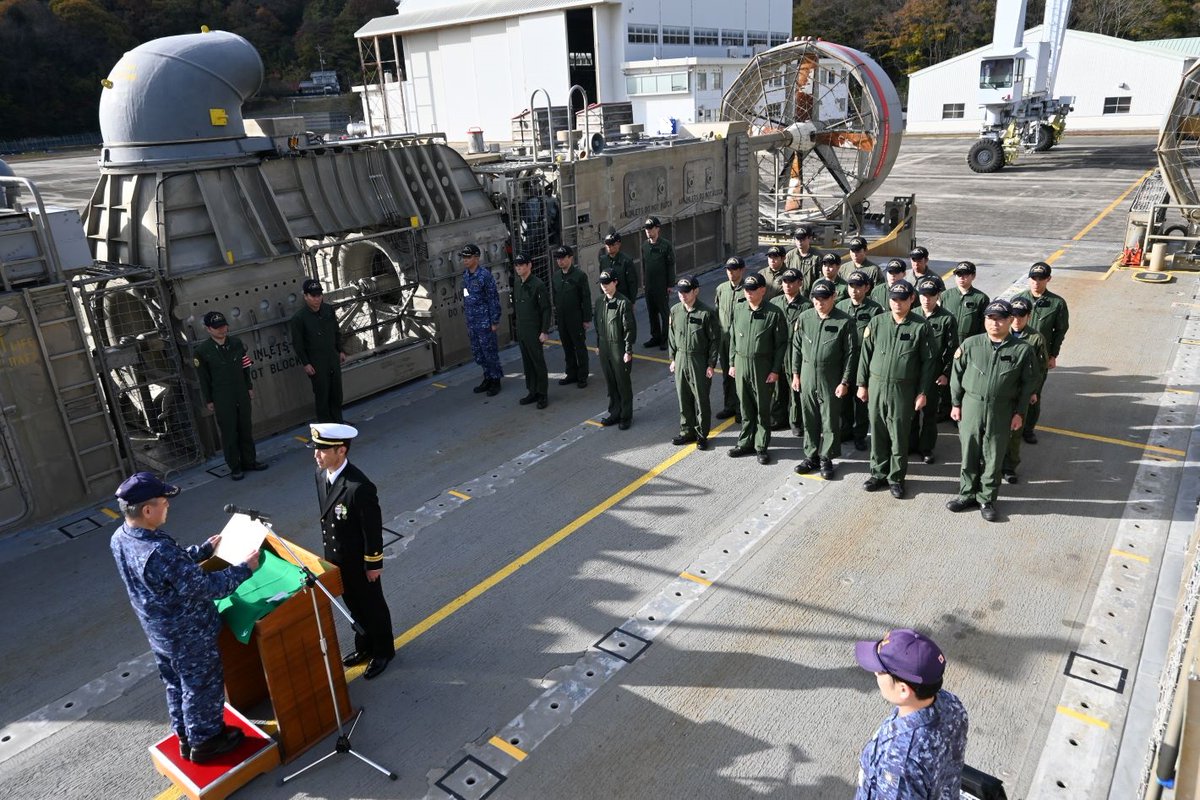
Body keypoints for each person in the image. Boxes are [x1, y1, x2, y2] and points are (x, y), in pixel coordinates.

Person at [110, 471, 258, 762]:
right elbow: (205, 587)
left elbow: (166, 571)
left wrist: (201, 550)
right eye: (164, 502)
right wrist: (244, 569)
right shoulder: (158, 550)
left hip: (160, 634)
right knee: (201, 685)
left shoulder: (121, 537)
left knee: (176, 685)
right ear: (147, 509)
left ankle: (185, 737)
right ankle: (206, 742)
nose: (168, 506)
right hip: (188, 635)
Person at [310, 423, 395, 679]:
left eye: (323, 450)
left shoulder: (359, 487)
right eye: (316, 449)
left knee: (372, 607)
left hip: (359, 562)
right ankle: (364, 646)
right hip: (337, 560)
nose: (316, 455)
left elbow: (372, 530)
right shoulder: (321, 475)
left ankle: (383, 651)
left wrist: (373, 565)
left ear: (341, 451)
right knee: (352, 608)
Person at [947, 300, 1037, 522]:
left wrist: (1019, 413)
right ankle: (966, 494)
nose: (994, 323)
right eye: (990, 318)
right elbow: (956, 376)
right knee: (969, 452)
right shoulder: (970, 344)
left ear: (1009, 320)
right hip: (971, 406)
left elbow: (1028, 385)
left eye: (1000, 319)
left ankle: (986, 498)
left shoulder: (1022, 350)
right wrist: (956, 404)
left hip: (1002, 409)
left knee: (993, 456)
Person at [853, 628, 969, 799]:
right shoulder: (951, 703)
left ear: (903, 690)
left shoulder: (900, 762)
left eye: (881, 671)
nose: (876, 673)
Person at [857, 280, 935, 499]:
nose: (897, 303)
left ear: (912, 299)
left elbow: (929, 363)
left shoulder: (920, 326)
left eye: (902, 299)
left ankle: (896, 478)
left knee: (899, 435)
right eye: (894, 299)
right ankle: (878, 473)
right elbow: (865, 354)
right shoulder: (877, 322)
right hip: (877, 385)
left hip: (904, 389)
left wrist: (923, 392)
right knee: (878, 431)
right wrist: (862, 384)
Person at [791, 279, 857, 480]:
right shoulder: (804, 318)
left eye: (824, 298)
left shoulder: (844, 322)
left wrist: (845, 382)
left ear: (834, 297)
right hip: (808, 376)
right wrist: (795, 374)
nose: (820, 303)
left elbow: (851, 354)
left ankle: (827, 458)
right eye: (816, 299)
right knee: (809, 418)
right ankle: (810, 456)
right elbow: (796, 347)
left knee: (829, 420)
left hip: (831, 378)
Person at [194, 311, 267, 481]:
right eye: (217, 328)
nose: (222, 330)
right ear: (208, 329)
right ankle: (235, 466)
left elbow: (245, 367)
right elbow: (204, 378)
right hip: (222, 395)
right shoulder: (203, 351)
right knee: (229, 432)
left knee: (245, 428)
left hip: (240, 391)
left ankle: (250, 461)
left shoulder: (236, 343)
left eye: (224, 326)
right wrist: (209, 400)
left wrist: (248, 387)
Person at [728, 273, 787, 465]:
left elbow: (780, 345)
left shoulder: (774, 313)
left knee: (762, 407)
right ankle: (745, 442)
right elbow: (733, 338)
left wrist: (775, 370)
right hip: (741, 362)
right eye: (746, 289)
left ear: (763, 290)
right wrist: (731, 363)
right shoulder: (738, 309)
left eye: (753, 290)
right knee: (745, 406)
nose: (749, 293)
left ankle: (761, 446)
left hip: (762, 366)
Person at [1012, 261, 1069, 445]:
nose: (1037, 282)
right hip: (1015, 355)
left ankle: (1028, 429)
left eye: (1041, 278)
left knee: (1033, 394)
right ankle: (1013, 423)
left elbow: (1060, 331)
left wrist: (1053, 355)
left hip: (1039, 357)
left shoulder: (1057, 303)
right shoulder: (1018, 300)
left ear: (1048, 279)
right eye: (1034, 278)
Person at [910, 276, 958, 465]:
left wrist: (945, 373)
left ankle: (926, 447)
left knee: (929, 414)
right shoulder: (911, 314)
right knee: (911, 412)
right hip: (912, 373)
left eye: (931, 295)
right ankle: (911, 444)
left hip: (933, 374)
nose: (926, 299)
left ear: (938, 295)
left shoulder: (947, 319)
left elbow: (952, 349)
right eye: (923, 295)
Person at [1002, 297, 1050, 483]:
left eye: (1021, 317)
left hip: (1020, 392)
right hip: (1001, 391)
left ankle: (1009, 467)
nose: (1017, 320)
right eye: (1013, 316)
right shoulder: (999, 333)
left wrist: (1033, 392)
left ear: (1028, 317)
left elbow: (1039, 370)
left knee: (1014, 432)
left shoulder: (1035, 339)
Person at [668, 276, 719, 449]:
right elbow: (671, 336)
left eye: (686, 292)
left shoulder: (706, 313)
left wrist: (711, 364)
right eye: (680, 292)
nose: (682, 295)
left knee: (701, 399)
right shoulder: (675, 311)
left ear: (696, 291)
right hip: (681, 357)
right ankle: (686, 431)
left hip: (699, 359)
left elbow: (714, 341)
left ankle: (701, 434)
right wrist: (673, 359)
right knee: (683, 397)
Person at [838, 269, 885, 451]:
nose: (854, 290)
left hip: (864, 362)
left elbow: (878, 339)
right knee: (844, 400)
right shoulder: (841, 306)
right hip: (844, 362)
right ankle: (846, 430)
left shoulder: (875, 309)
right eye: (851, 286)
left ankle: (860, 435)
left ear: (867, 287)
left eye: (859, 286)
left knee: (862, 401)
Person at [290, 279, 346, 423]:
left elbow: (335, 331)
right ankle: (326, 428)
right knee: (322, 395)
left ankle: (338, 423)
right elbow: (298, 343)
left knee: (337, 394)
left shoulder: (328, 310)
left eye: (319, 295)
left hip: (332, 357)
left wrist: (340, 350)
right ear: (306, 296)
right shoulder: (299, 318)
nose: (317, 299)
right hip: (316, 362)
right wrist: (306, 363)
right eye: (313, 296)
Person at [594, 270, 637, 429]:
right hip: (605, 347)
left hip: (618, 347)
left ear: (615, 282)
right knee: (610, 381)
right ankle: (614, 412)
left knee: (622, 383)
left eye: (607, 283)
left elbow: (629, 329)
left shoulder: (623, 303)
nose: (604, 286)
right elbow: (598, 325)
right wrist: (599, 345)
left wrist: (628, 350)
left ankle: (626, 415)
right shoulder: (599, 302)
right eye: (602, 284)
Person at [459, 243, 503, 397]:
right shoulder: (465, 275)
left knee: (489, 352)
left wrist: (494, 321)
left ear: (476, 258)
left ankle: (495, 380)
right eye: (463, 257)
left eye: (468, 257)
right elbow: (465, 295)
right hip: (472, 321)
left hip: (485, 321)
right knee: (478, 352)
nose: (465, 260)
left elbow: (493, 299)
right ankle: (487, 377)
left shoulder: (485, 276)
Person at [770, 267, 809, 435]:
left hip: (796, 352)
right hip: (779, 352)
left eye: (791, 282)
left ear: (800, 283)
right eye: (785, 282)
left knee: (796, 388)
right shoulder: (775, 303)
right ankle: (779, 418)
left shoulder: (807, 306)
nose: (787, 285)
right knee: (778, 388)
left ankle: (796, 421)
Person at [513, 253, 551, 409]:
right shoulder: (517, 283)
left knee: (537, 362)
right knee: (527, 362)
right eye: (516, 265)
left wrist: (544, 330)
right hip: (522, 330)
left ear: (529, 265)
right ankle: (532, 391)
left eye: (521, 265)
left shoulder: (538, 285)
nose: (518, 268)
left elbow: (546, 310)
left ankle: (542, 393)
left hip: (534, 330)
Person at [551, 245, 592, 388]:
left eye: (563, 258)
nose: (560, 261)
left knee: (579, 346)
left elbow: (585, 298)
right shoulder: (556, 276)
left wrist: (586, 319)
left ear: (570, 258)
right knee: (567, 346)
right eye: (558, 259)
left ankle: (582, 375)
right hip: (562, 318)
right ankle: (571, 373)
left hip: (576, 317)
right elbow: (555, 296)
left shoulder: (579, 276)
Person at [714, 257, 747, 423]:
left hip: (741, 341)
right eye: (728, 269)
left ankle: (742, 409)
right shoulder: (721, 289)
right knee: (727, 374)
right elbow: (717, 312)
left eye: (734, 269)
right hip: (725, 340)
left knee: (740, 376)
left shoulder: (748, 290)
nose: (731, 272)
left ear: (742, 270)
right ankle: (729, 406)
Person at [641, 217, 676, 350]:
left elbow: (670, 265)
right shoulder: (645, 246)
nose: (649, 231)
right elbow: (645, 266)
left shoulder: (665, 245)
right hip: (650, 285)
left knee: (664, 312)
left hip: (662, 285)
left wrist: (670, 284)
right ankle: (655, 337)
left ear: (657, 229)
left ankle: (665, 338)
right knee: (652, 312)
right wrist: (645, 283)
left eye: (651, 229)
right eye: (647, 229)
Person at [598, 232, 639, 309]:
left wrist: (632, 301)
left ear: (618, 244)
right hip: (609, 298)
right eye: (607, 245)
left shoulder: (626, 261)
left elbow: (632, 282)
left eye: (612, 245)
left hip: (623, 298)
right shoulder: (603, 261)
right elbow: (602, 280)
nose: (609, 247)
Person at [785, 225, 823, 294]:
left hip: (811, 296)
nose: (800, 242)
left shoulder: (817, 257)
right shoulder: (789, 256)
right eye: (797, 239)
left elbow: (821, 279)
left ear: (809, 238)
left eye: (803, 239)